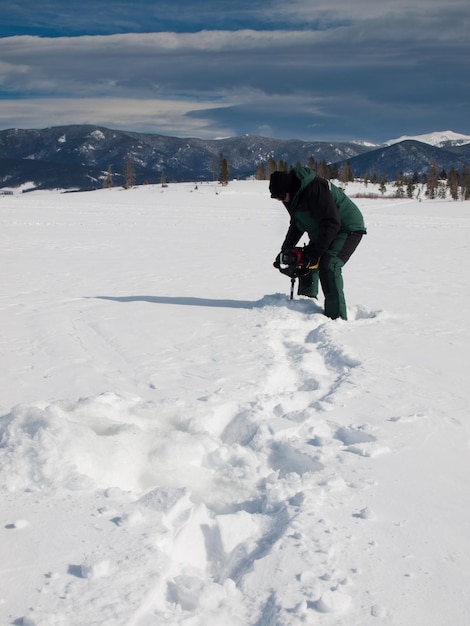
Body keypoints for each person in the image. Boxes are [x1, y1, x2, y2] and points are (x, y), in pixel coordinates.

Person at [270, 166, 366, 320]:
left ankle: (336, 319)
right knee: (304, 262)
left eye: (282, 197)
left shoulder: (315, 189)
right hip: (323, 229)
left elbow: (332, 222)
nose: (282, 201)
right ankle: (306, 307)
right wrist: (285, 251)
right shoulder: (291, 196)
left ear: (289, 189)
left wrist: (314, 253)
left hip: (347, 227)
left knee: (329, 264)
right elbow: (296, 224)